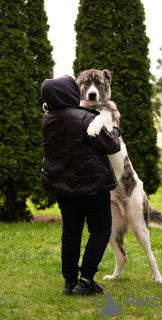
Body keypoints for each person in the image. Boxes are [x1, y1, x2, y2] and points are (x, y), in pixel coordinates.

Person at [40, 75, 121, 296]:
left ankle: (69, 283)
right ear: (70, 93)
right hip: (92, 186)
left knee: (71, 232)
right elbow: (112, 145)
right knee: (100, 230)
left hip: (62, 186)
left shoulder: (48, 118)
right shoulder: (85, 118)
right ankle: (86, 281)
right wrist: (115, 127)